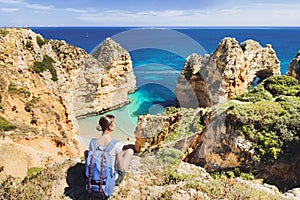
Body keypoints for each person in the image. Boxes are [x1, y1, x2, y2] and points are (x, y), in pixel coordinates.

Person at [88, 114, 134, 190]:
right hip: (109, 180)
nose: (115, 125)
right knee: (130, 151)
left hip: (94, 176)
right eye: (114, 123)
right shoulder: (116, 144)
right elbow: (120, 167)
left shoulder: (92, 142)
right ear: (110, 126)